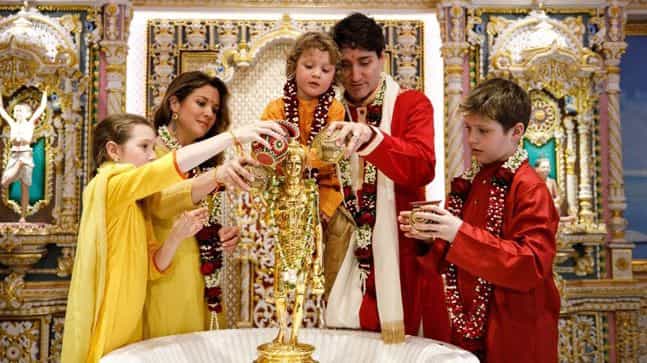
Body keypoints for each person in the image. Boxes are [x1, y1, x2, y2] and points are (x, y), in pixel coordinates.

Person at [61, 113, 285, 362]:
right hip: (108, 322)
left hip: (130, 325)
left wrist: (178, 235)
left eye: (153, 147)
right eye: (144, 146)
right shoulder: (109, 185)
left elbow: (153, 266)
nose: (153, 154)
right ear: (113, 150)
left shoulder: (134, 200)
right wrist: (233, 137)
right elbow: (166, 168)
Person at [399, 78, 560, 362]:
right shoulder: (470, 182)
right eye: (469, 129)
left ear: (516, 132)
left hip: (514, 331)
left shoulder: (529, 187)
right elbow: (453, 262)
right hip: (466, 328)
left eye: (483, 131)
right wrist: (430, 237)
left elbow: (530, 265)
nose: (471, 139)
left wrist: (457, 233)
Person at [323, 13, 436, 343]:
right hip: (340, 253)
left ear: (382, 59)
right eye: (344, 65)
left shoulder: (411, 105)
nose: (355, 75)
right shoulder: (328, 113)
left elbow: (421, 165)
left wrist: (370, 137)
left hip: (396, 260)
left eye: (364, 62)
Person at [146, 71, 268, 336]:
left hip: (203, 274)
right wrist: (215, 177)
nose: (209, 114)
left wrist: (217, 235)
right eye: (201, 103)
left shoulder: (204, 163)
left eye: (214, 108)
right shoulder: (151, 151)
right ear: (175, 104)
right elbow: (160, 205)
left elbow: (197, 218)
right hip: (165, 274)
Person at [259, 31, 344, 294]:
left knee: (326, 274)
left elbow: (330, 155)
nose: (316, 74)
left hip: (326, 201)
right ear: (293, 67)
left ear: (334, 75)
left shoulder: (335, 110)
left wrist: (296, 154)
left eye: (325, 69)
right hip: (285, 201)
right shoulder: (276, 109)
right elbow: (266, 152)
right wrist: (300, 157)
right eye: (309, 66)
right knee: (285, 278)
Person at [0, 89, 47, 222]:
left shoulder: (30, 124)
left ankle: (23, 217)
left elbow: (41, 108)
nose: (17, 113)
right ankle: (19, 165)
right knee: (4, 182)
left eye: (21, 111)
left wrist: (45, 92)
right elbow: (2, 111)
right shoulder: (12, 124)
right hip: (15, 155)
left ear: (28, 114)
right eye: (16, 111)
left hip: (26, 154)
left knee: (24, 187)